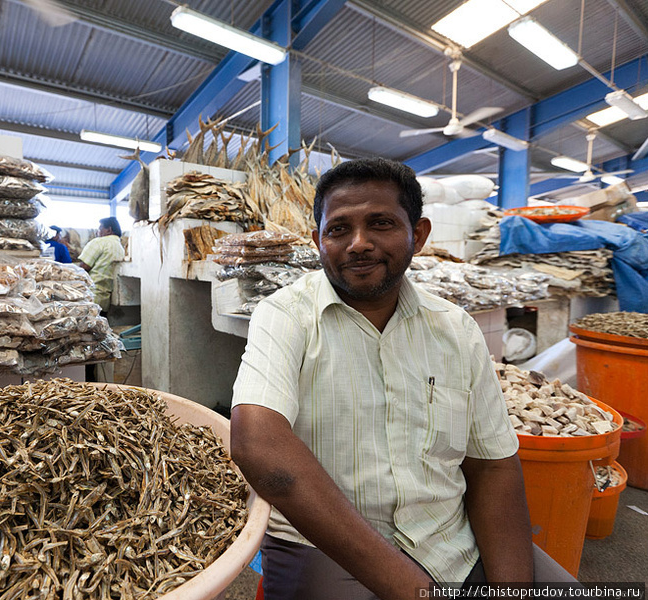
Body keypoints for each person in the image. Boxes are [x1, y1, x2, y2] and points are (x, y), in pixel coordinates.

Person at [229, 158, 578, 600]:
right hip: (325, 544)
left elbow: (492, 467)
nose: (359, 244)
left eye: (381, 224)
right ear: (318, 240)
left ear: (419, 234)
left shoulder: (456, 328)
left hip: (450, 536)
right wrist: (415, 590)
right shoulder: (285, 315)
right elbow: (258, 444)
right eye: (338, 230)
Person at [77, 217, 125, 314]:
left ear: (109, 230)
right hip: (104, 301)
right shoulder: (120, 248)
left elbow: (83, 268)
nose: (97, 232)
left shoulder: (99, 242)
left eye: (100, 228)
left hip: (89, 297)